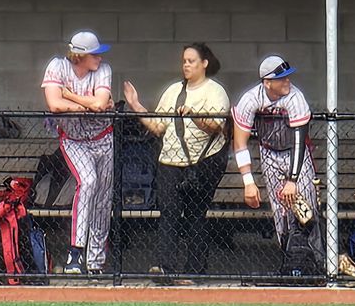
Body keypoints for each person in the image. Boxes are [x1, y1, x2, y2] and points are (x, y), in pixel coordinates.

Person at [121, 42, 229, 284]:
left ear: (204, 63)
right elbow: (158, 126)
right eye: (184, 61)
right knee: (168, 213)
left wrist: (195, 115)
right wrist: (136, 105)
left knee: (195, 214)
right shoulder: (173, 90)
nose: (186, 65)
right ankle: (164, 267)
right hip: (170, 160)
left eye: (191, 60)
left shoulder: (215, 91)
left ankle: (194, 270)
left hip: (202, 163)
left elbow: (216, 126)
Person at [231, 55, 322, 276]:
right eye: (281, 79)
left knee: (306, 210)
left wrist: (292, 180)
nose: (287, 81)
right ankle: (291, 263)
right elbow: (240, 142)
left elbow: (300, 141)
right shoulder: (251, 99)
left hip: (295, 154)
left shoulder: (295, 97)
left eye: (288, 77)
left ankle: (318, 265)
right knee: (280, 212)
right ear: (267, 82)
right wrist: (248, 182)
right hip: (269, 152)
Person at [42, 30, 114, 275]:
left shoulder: (103, 71)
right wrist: (88, 104)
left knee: (103, 200)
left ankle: (95, 262)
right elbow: (54, 105)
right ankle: (75, 253)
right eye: (94, 54)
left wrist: (70, 96)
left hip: (103, 139)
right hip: (73, 140)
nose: (99, 58)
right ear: (79, 56)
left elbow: (100, 104)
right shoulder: (58, 66)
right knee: (88, 182)